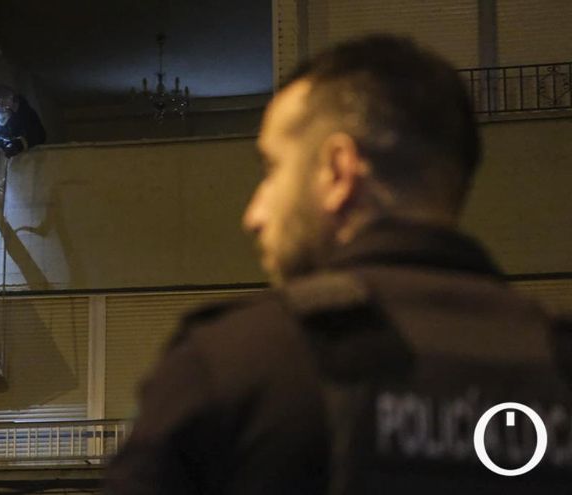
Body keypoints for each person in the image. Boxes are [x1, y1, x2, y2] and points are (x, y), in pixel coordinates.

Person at [104, 35, 572, 494]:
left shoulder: (231, 367)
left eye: (272, 168)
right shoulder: (556, 360)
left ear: (337, 171)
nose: (254, 215)